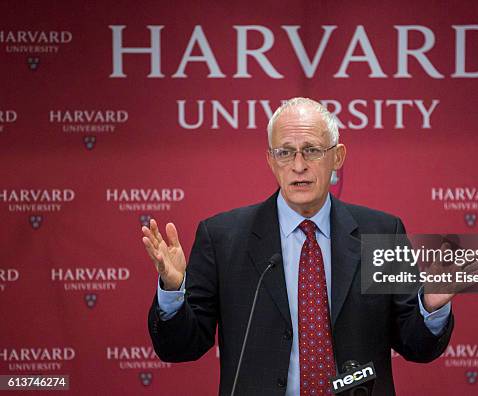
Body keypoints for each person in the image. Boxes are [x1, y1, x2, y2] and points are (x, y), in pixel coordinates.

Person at [143, 98, 455, 395]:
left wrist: (431, 308)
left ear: (337, 156)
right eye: (285, 152)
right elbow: (182, 347)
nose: (299, 165)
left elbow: (417, 346)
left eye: (312, 150)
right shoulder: (224, 237)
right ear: (269, 159)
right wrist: (172, 292)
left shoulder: (382, 233)